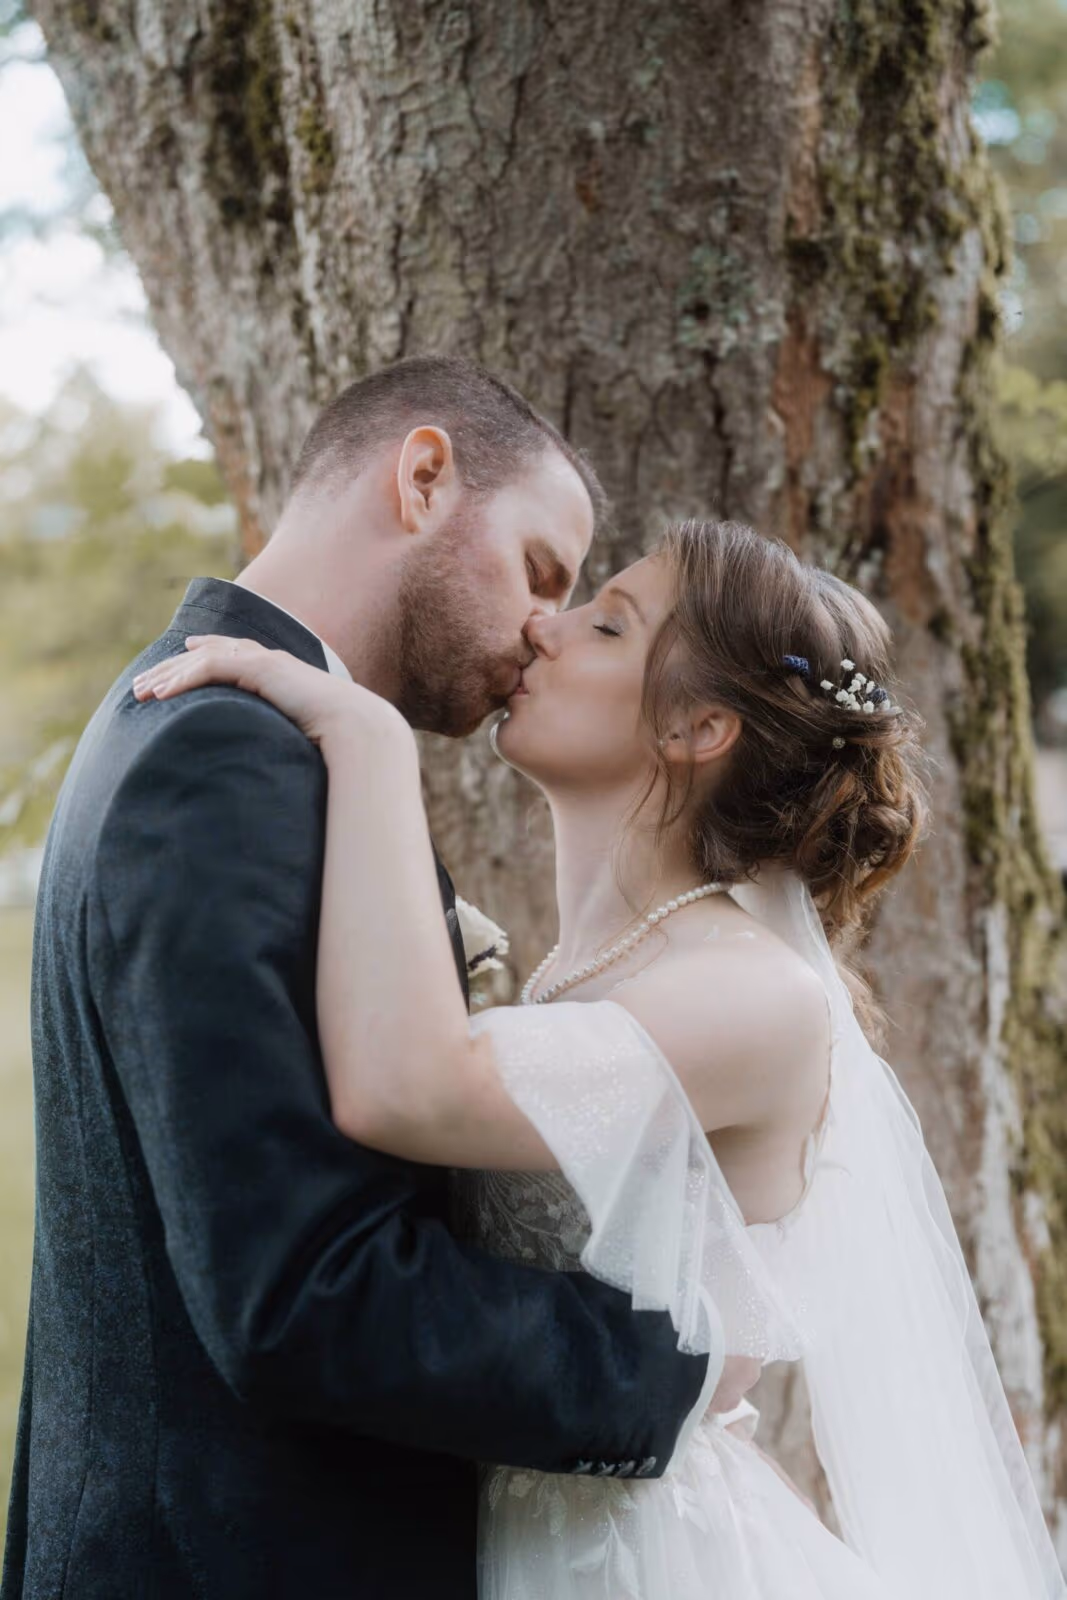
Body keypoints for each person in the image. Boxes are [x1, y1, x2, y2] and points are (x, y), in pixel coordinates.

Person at [135, 515, 1067, 1598]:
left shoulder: (758, 995)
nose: (543, 628)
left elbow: (406, 1087)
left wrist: (369, 740)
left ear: (696, 727)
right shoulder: (605, 969)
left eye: (606, 623)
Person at [2, 359, 758, 1600]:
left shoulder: (252, 736)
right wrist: (675, 1369)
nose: (541, 630)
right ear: (421, 478)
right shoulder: (227, 762)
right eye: (538, 570)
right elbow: (303, 1294)